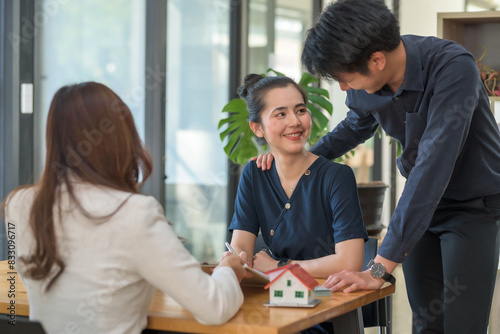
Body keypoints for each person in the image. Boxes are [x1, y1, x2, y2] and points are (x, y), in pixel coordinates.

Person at [258, 1, 500, 333]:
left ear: (377, 60)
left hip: (473, 206)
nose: (343, 88)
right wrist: (299, 161)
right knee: (426, 321)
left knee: (463, 326)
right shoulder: (367, 82)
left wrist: (377, 269)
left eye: (345, 78)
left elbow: (433, 164)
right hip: (420, 209)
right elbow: (354, 128)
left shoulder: (452, 68)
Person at [2, 82, 250, 334]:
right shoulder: (135, 212)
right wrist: (228, 270)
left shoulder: (19, 204)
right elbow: (214, 307)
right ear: (122, 137)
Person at [224, 73, 368, 334]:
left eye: (300, 110)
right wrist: (234, 262)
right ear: (257, 128)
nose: (295, 122)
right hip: (271, 306)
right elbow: (241, 252)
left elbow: (349, 262)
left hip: (322, 310)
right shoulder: (254, 175)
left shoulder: (336, 177)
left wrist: (280, 268)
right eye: (280, 114)